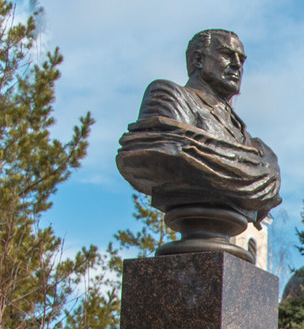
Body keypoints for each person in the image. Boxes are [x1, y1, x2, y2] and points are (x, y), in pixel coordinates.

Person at [117, 29, 281, 226]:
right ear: (198, 59)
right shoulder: (168, 96)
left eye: (241, 59)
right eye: (227, 54)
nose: (237, 65)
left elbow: (269, 173)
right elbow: (168, 146)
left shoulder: (251, 141)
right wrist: (246, 163)